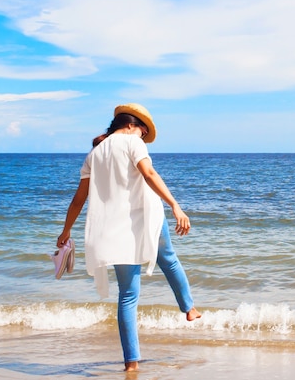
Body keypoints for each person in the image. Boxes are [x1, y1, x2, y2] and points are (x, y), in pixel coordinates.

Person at [57, 103, 201, 372]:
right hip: (147, 217)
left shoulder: (95, 154)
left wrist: (66, 230)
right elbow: (149, 174)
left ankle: (131, 363)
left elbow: (79, 199)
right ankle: (189, 308)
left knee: (127, 296)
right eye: (143, 133)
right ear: (133, 126)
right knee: (168, 259)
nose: (143, 138)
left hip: (114, 230)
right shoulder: (133, 143)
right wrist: (175, 205)